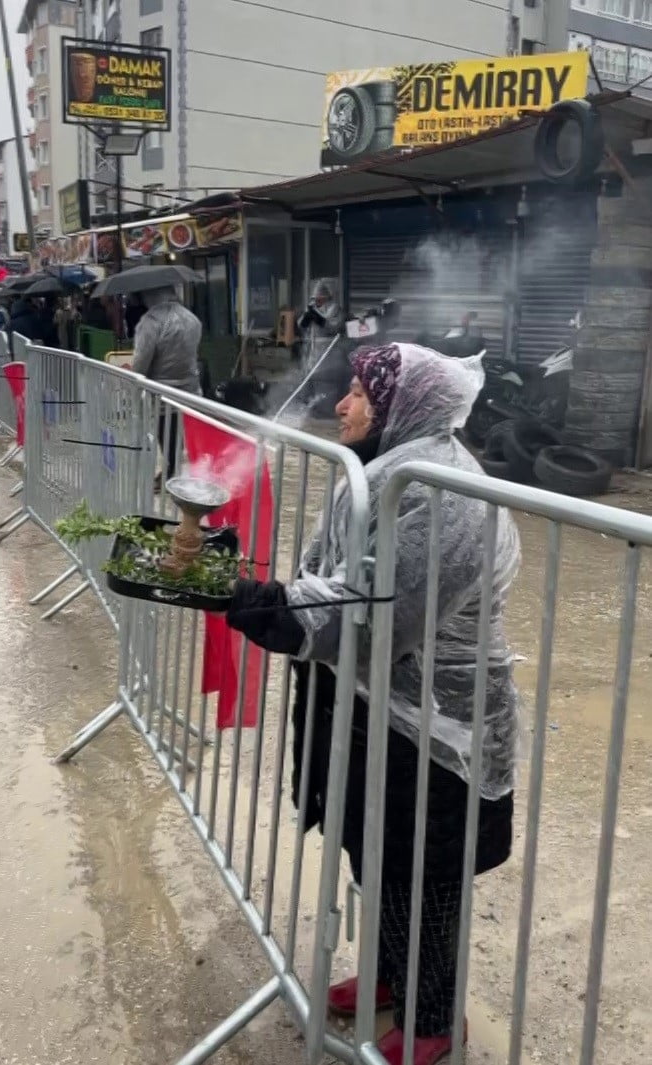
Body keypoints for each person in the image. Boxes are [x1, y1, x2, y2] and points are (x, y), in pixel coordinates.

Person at [226, 344, 520, 1065]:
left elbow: (373, 613)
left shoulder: (443, 490)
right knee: (375, 848)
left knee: (427, 878)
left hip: (438, 732)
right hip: (379, 708)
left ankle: (433, 1021)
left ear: (399, 406)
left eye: (359, 392)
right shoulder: (389, 471)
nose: (342, 405)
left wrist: (256, 601)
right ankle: (392, 972)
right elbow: (343, 575)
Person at [131, 285, 202, 483]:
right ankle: (181, 471)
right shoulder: (192, 318)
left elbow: (141, 361)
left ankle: (171, 474)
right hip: (190, 389)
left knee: (166, 431)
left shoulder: (150, 322)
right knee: (181, 433)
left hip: (162, 391)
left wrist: (134, 386)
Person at [297, 278, 346, 414]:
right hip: (312, 357)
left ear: (327, 297)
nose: (317, 300)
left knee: (325, 391)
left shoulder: (334, 308)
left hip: (328, 358)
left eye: (319, 298)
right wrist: (307, 316)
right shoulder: (313, 309)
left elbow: (333, 326)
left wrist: (317, 317)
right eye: (315, 298)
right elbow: (301, 326)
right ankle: (310, 413)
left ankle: (325, 414)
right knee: (307, 389)